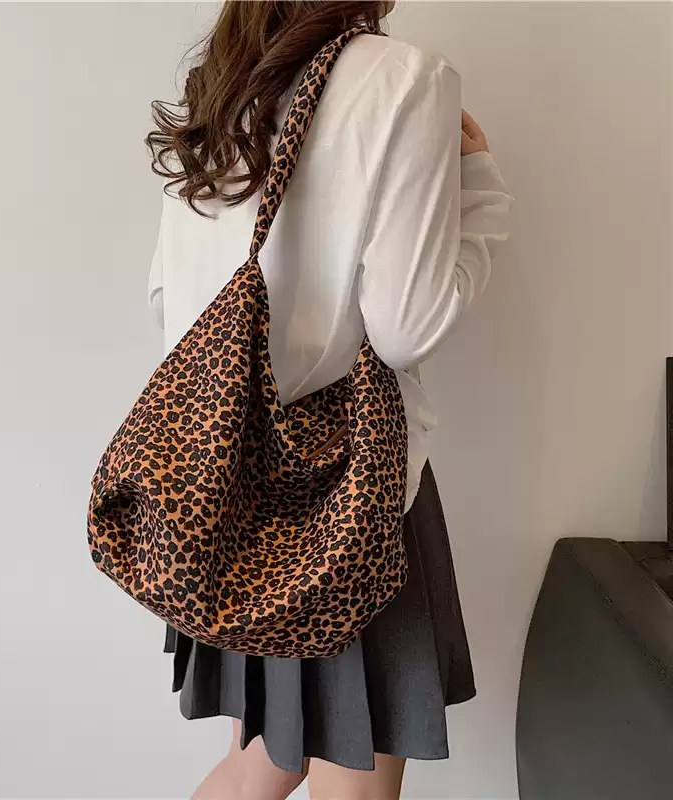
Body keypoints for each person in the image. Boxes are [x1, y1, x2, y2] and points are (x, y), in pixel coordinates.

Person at [144, 2, 511, 798]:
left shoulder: (221, 86)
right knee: (355, 780)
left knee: (258, 766)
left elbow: (169, 299)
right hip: (355, 497)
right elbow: (406, 329)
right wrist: (482, 191)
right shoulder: (406, 79)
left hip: (232, 494)